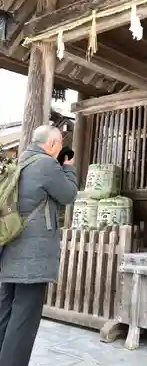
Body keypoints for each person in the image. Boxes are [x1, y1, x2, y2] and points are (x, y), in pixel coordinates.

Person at [0, 125, 78, 366]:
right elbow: (68, 195)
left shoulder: (20, 162)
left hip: (10, 248)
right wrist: (68, 168)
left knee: (6, 312)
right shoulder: (46, 165)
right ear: (53, 144)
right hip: (32, 256)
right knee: (25, 317)